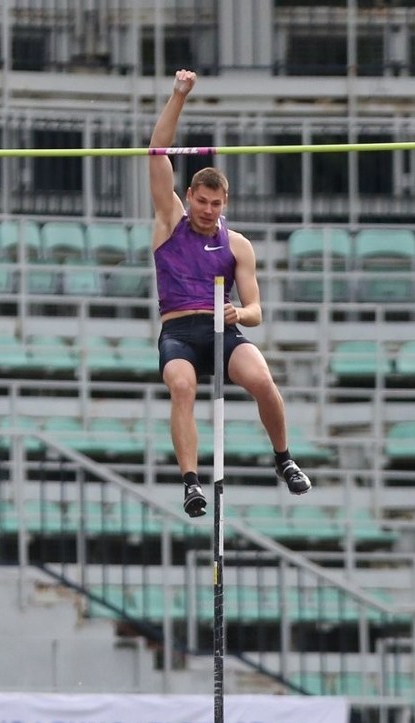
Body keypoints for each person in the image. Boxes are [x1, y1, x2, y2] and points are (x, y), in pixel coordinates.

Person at [149, 68, 312, 518]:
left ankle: (284, 459)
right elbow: (156, 152)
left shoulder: (237, 243)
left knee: (262, 380)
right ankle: (190, 484)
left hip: (224, 327)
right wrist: (179, 95)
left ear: (226, 203)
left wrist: (241, 315)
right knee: (181, 386)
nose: (206, 210)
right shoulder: (169, 225)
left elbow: (257, 308)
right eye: (201, 201)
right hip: (180, 330)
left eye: (215, 204)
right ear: (190, 197)